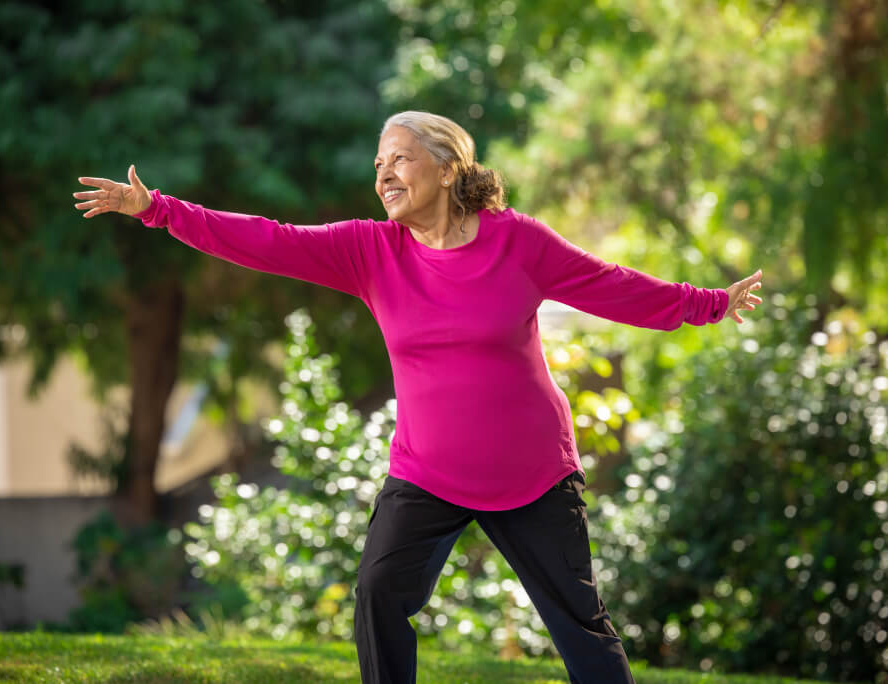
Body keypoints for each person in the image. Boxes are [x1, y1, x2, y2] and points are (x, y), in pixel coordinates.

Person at [74, 110, 763, 684]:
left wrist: (707, 304)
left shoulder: (517, 242)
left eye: (399, 160)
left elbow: (608, 283)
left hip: (532, 475)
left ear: (447, 167)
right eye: (378, 166)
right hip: (426, 473)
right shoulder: (372, 253)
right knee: (378, 593)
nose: (383, 176)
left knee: (578, 623)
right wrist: (158, 210)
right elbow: (270, 241)